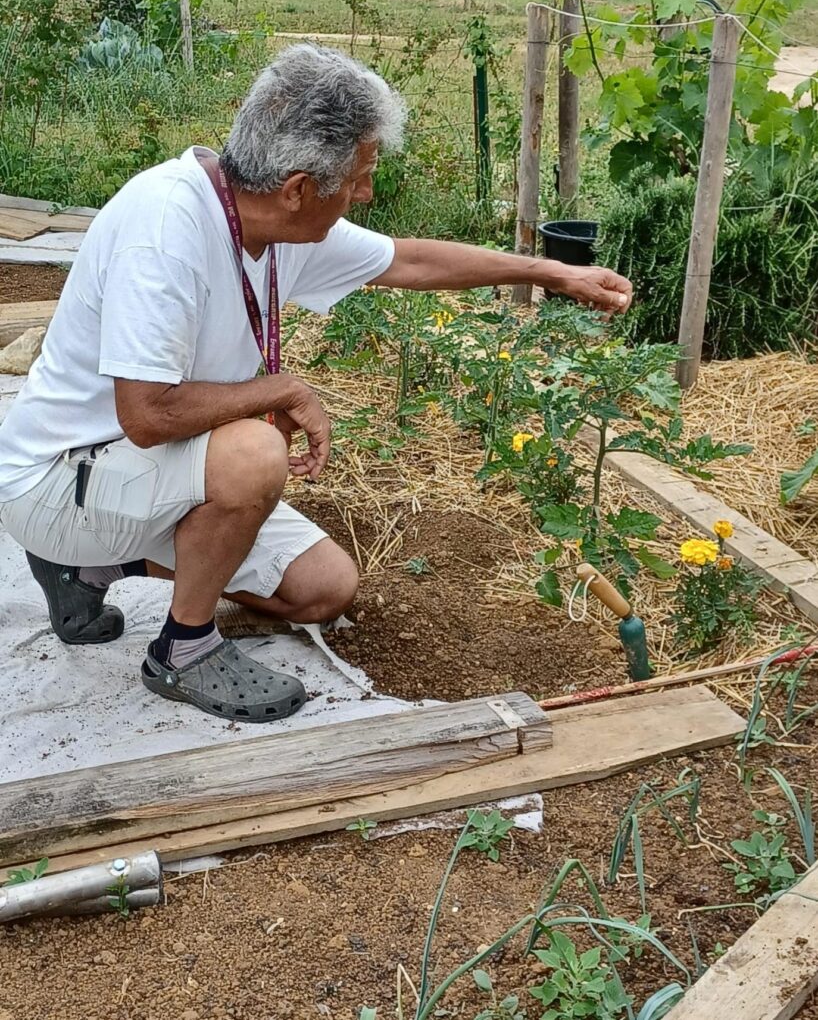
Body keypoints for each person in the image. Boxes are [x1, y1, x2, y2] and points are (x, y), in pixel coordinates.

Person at [0, 43, 632, 724]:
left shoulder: (270, 223)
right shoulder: (166, 233)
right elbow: (147, 414)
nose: (365, 193)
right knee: (252, 453)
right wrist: (281, 389)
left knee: (323, 588)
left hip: (144, 476)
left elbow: (411, 261)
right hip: (62, 481)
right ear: (299, 187)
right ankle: (183, 650)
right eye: (359, 175)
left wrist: (552, 273)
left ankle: (87, 572)